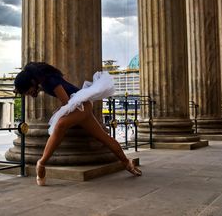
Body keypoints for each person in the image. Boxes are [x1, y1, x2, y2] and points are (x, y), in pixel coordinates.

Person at [14, 62, 142, 186]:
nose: (29, 94)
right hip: (82, 105)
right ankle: (127, 163)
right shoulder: (45, 81)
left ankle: (41, 163)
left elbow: (66, 102)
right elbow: (65, 99)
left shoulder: (49, 81)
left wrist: (60, 113)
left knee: (60, 126)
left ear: (32, 82)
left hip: (80, 106)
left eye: (27, 91)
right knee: (103, 137)